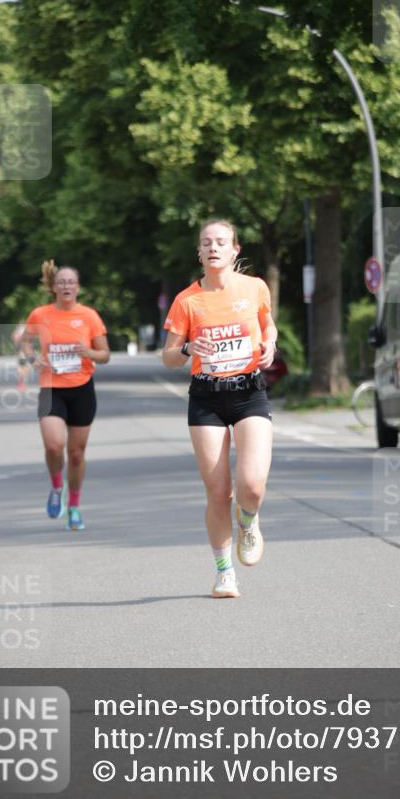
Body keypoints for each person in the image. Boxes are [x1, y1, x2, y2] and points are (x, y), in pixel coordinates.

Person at [163, 219, 277, 598]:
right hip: (207, 397)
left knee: (252, 485)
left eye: (221, 242)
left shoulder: (255, 288)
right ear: (199, 252)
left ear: (234, 250)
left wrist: (271, 345)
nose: (213, 247)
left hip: (249, 392)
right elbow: (168, 357)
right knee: (218, 492)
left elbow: (268, 325)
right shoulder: (187, 300)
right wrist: (186, 349)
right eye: (206, 242)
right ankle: (225, 572)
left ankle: (248, 520)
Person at [22, 261, 110, 531]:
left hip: (82, 388)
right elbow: (26, 342)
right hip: (51, 388)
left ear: (78, 287)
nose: (66, 286)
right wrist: (32, 358)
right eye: (61, 282)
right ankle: (56, 487)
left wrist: (88, 352)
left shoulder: (89, 316)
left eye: (71, 282)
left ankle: (74, 506)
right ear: (54, 287)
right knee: (52, 446)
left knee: (75, 455)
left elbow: (104, 355)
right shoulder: (40, 314)